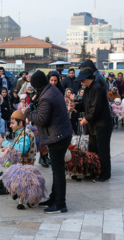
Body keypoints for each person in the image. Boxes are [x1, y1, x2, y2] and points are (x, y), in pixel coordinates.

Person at [24, 70, 72, 213]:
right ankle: (54, 198)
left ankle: (60, 204)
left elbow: (41, 119)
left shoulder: (46, 97)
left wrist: (27, 112)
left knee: (58, 171)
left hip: (57, 136)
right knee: (57, 171)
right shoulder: (51, 90)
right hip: (62, 133)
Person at [70, 67, 112, 182]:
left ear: (88, 78)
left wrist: (86, 119)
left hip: (102, 125)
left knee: (102, 150)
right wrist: (75, 106)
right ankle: (95, 170)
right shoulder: (88, 89)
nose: (81, 82)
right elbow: (84, 105)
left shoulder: (97, 88)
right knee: (92, 149)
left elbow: (96, 108)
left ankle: (105, 174)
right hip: (92, 125)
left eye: (83, 80)